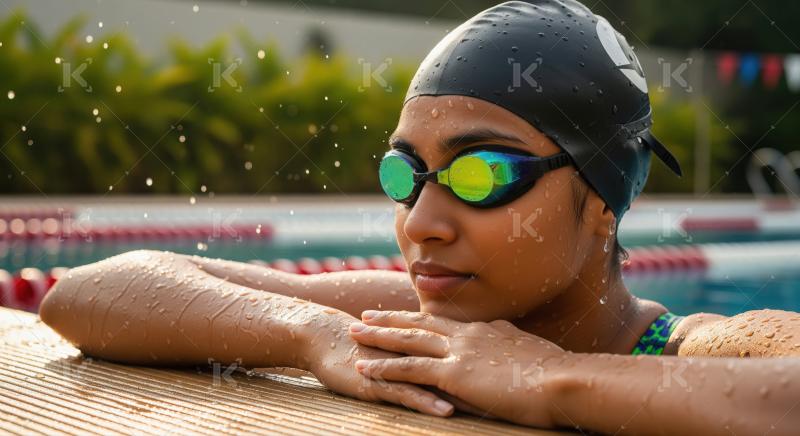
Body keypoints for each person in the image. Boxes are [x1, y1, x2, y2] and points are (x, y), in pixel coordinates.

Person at [40, 1, 800, 434]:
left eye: (483, 174)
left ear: (601, 202)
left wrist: (550, 378)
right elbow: (87, 292)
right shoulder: (424, 327)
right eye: (405, 173)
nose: (421, 223)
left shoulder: (690, 347)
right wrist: (315, 334)